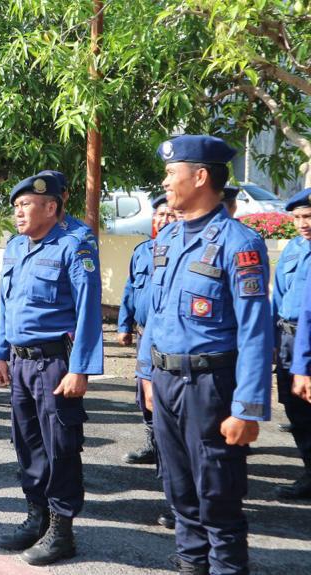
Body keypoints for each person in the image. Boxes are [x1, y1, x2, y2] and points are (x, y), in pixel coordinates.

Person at [137, 135, 272, 575]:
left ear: (199, 176)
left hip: (211, 386)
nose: (165, 181)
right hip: (167, 382)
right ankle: (192, 564)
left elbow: (255, 331)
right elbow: (155, 315)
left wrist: (247, 408)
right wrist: (147, 376)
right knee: (179, 492)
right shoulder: (166, 239)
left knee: (217, 494)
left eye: (171, 174)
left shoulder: (240, 243)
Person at [0, 173, 102, 566]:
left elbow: (89, 309)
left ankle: (61, 530)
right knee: (27, 443)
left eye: (26, 205)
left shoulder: (74, 245)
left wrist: (82, 367)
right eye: (15, 206)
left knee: (61, 447)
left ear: (51, 207)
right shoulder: (17, 247)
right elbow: (5, 304)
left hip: (55, 362)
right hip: (19, 362)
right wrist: (0, 352)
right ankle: (36, 517)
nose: (18, 212)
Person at [119, 195, 178, 466]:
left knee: (169, 396)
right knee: (144, 394)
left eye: (170, 215)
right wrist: (124, 324)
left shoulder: (180, 251)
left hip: (169, 339)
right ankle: (154, 444)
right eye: (160, 215)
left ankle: (172, 449)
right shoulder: (142, 251)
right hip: (144, 335)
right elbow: (130, 289)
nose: (164, 219)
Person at [275, 188, 311, 500]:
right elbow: (278, 295)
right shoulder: (294, 249)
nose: (302, 223)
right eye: (298, 217)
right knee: (293, 406)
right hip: (287, 336)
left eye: (308, 216)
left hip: (308, 337)